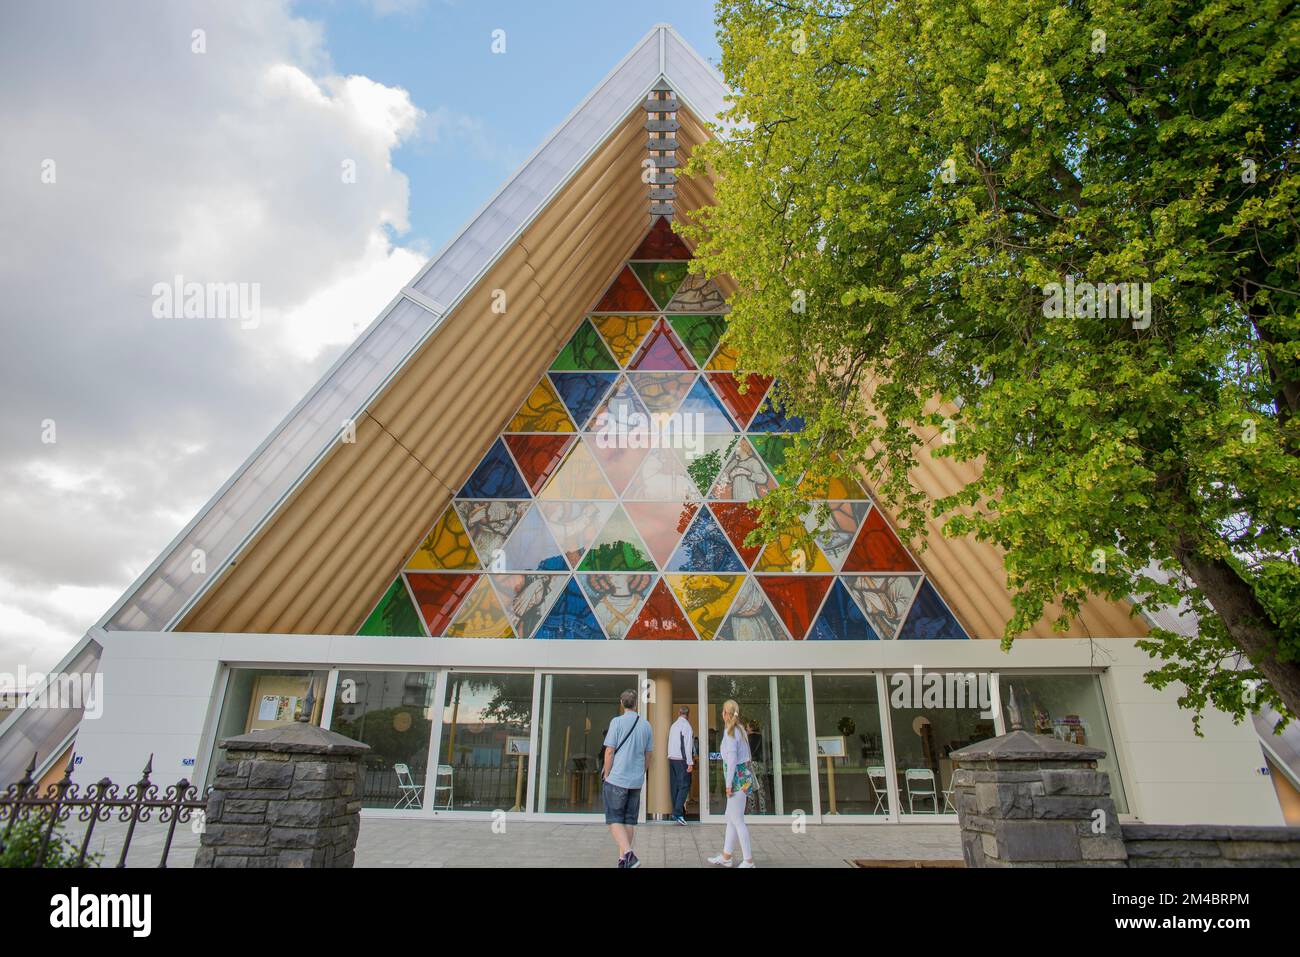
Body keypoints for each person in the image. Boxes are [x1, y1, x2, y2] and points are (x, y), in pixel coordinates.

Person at [602, 688, 654, 868]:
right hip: (636, 780)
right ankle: (623, 859)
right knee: (629, 820)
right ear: (636, 704)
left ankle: (629, 854)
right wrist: (642, 773)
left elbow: (609, 751)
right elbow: (649, 755)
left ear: (621, 703)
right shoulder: (646, 725)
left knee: (614, 818)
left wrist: (607, 773)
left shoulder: (616, 722)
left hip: (617, 778)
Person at [708, 699, 755, 868]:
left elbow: (732, 760)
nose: (722, 714)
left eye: (722, 711)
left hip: (736, 780)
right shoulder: (740, 730)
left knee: (737, 820)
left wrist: (728, 785)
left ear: (725, 714)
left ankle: (748, 860)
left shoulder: (731, 732)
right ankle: (726, 856)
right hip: (743, 778)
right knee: (732, 819)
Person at [667, 705, 694, 824]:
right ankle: (677, 813)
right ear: (688, 714)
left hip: (671, 758)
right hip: (681, 759)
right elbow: (687, 746)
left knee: (675, 786)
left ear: (679, 712)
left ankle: (678, 812)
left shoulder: (673, 726)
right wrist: (689, 762)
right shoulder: (686, 726)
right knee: (684, 786)